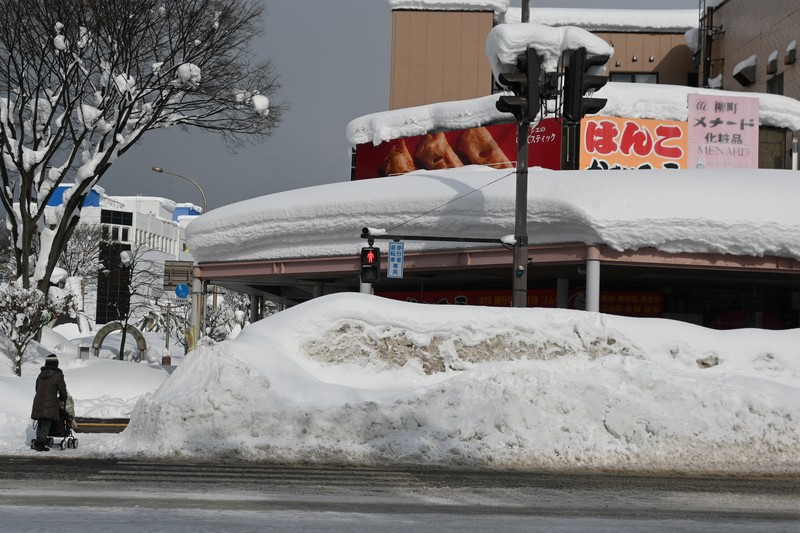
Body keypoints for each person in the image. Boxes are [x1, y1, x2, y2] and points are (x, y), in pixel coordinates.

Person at [30, 354, 68, 452]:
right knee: (46, 423)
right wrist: (63, 398)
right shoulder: (57, 374)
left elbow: (37, 388)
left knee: (41, 423)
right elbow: (62, 390)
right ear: (56, 363)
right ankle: (40, 444)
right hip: (50, 403)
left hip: (38, 401)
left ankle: (39, 441)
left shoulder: (41, 374)